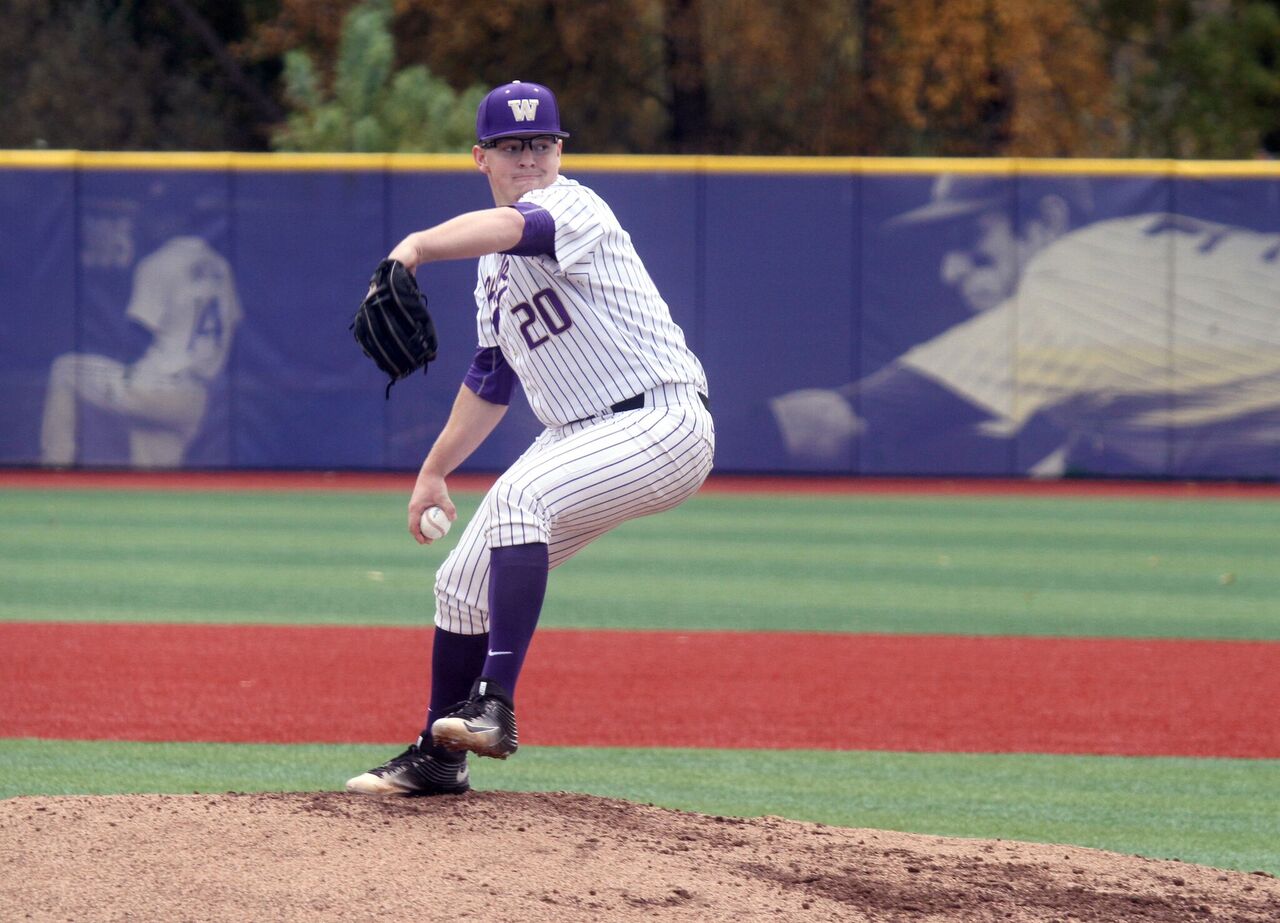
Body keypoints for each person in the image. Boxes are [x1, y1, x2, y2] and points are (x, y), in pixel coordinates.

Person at [346, 81, 714, 796]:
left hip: (659, 419)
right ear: (481, 157)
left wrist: (416, 245)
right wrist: (432, 471)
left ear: (559, 151)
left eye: (542, 144)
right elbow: (491, 378)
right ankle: (437, 754)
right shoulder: (491, 269)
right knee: (460, 584)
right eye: (513, 148)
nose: (531, 158)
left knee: (520, 497)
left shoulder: (573, 204)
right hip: (581, 433)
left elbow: (519, 228)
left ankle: (495, 706)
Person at [768, 174, 1280, 478]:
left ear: (1046, 223)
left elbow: (832, 423)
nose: (951, 270)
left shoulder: (1075, 279)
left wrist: (705, 440)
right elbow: (1113, 442)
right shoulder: (1145, 257)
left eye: (972, 236)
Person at [40, 231, 241, 468]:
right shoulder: (220, 266)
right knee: (152, 482)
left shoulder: (161, 261)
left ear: (167, 220)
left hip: (151, 390)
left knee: (64, 370)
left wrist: (120, 372)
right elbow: (235, 323)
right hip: (195, 399)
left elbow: (138, 335)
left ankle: (54, 470)